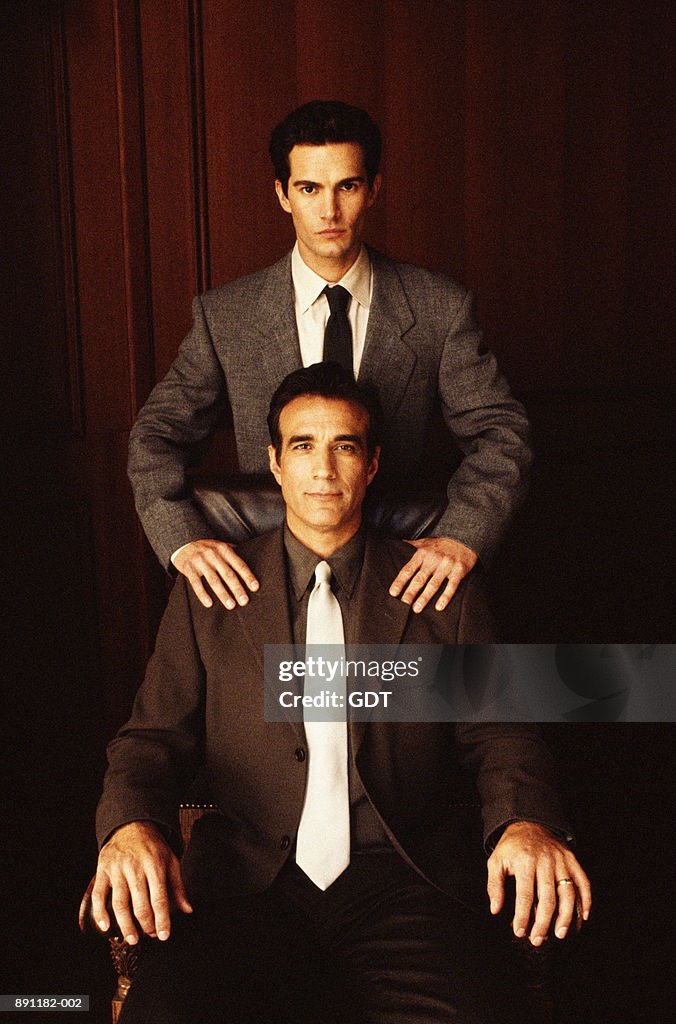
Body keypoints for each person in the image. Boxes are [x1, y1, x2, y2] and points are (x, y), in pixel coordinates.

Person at [97, 363, 590, 1024]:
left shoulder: (440, 587)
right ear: (275, 463)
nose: (323, 467)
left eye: (345, 446)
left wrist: (525, 821)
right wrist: (129, 824)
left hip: (403, 876)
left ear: (373, 463)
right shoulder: (208, 592)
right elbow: (150, 738)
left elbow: (502, 732)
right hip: (247, 885)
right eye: (303, 445)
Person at [128, 100, 532, 618]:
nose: (329, 212)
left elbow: (503, 433)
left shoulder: (440, 307)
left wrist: (463, 536)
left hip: (401, 581)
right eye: (309, 189)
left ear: (374, 190)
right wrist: (181, 541)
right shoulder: (225, 315)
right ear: (282, 194)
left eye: (347, 186)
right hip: (267, 583)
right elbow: (154, 436)